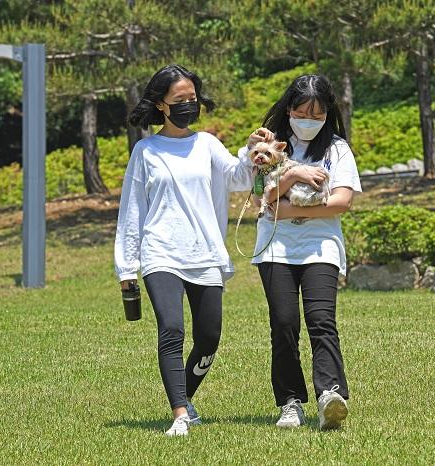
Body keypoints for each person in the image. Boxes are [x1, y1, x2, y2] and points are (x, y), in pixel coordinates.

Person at [115, 64, 253, 436]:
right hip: (160, 254)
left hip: (205, 253)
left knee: (209, 338)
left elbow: (239, 177)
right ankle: (179, 414)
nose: (189, 105)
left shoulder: (207, 144)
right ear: (161, 104)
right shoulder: (145, 151)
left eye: (193, 99)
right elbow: (132, 211)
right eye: (181, 100)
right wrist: (127, 268)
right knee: (172, 329)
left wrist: (254, 151)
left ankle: (185, 399)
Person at [244, 74, 361, 430]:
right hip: (274, 248)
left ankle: (331, 395)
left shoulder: (337, 149)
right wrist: (295, 177)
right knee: (283, 324)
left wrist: (290, 209)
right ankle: (290, 402)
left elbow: (341, 202)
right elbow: (260, 196)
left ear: (328, 113)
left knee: (321, 321)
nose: (308, 120)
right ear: (288, 110)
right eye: (301, 112)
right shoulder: (269, 147)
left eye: (317, 114)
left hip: (320, 247)